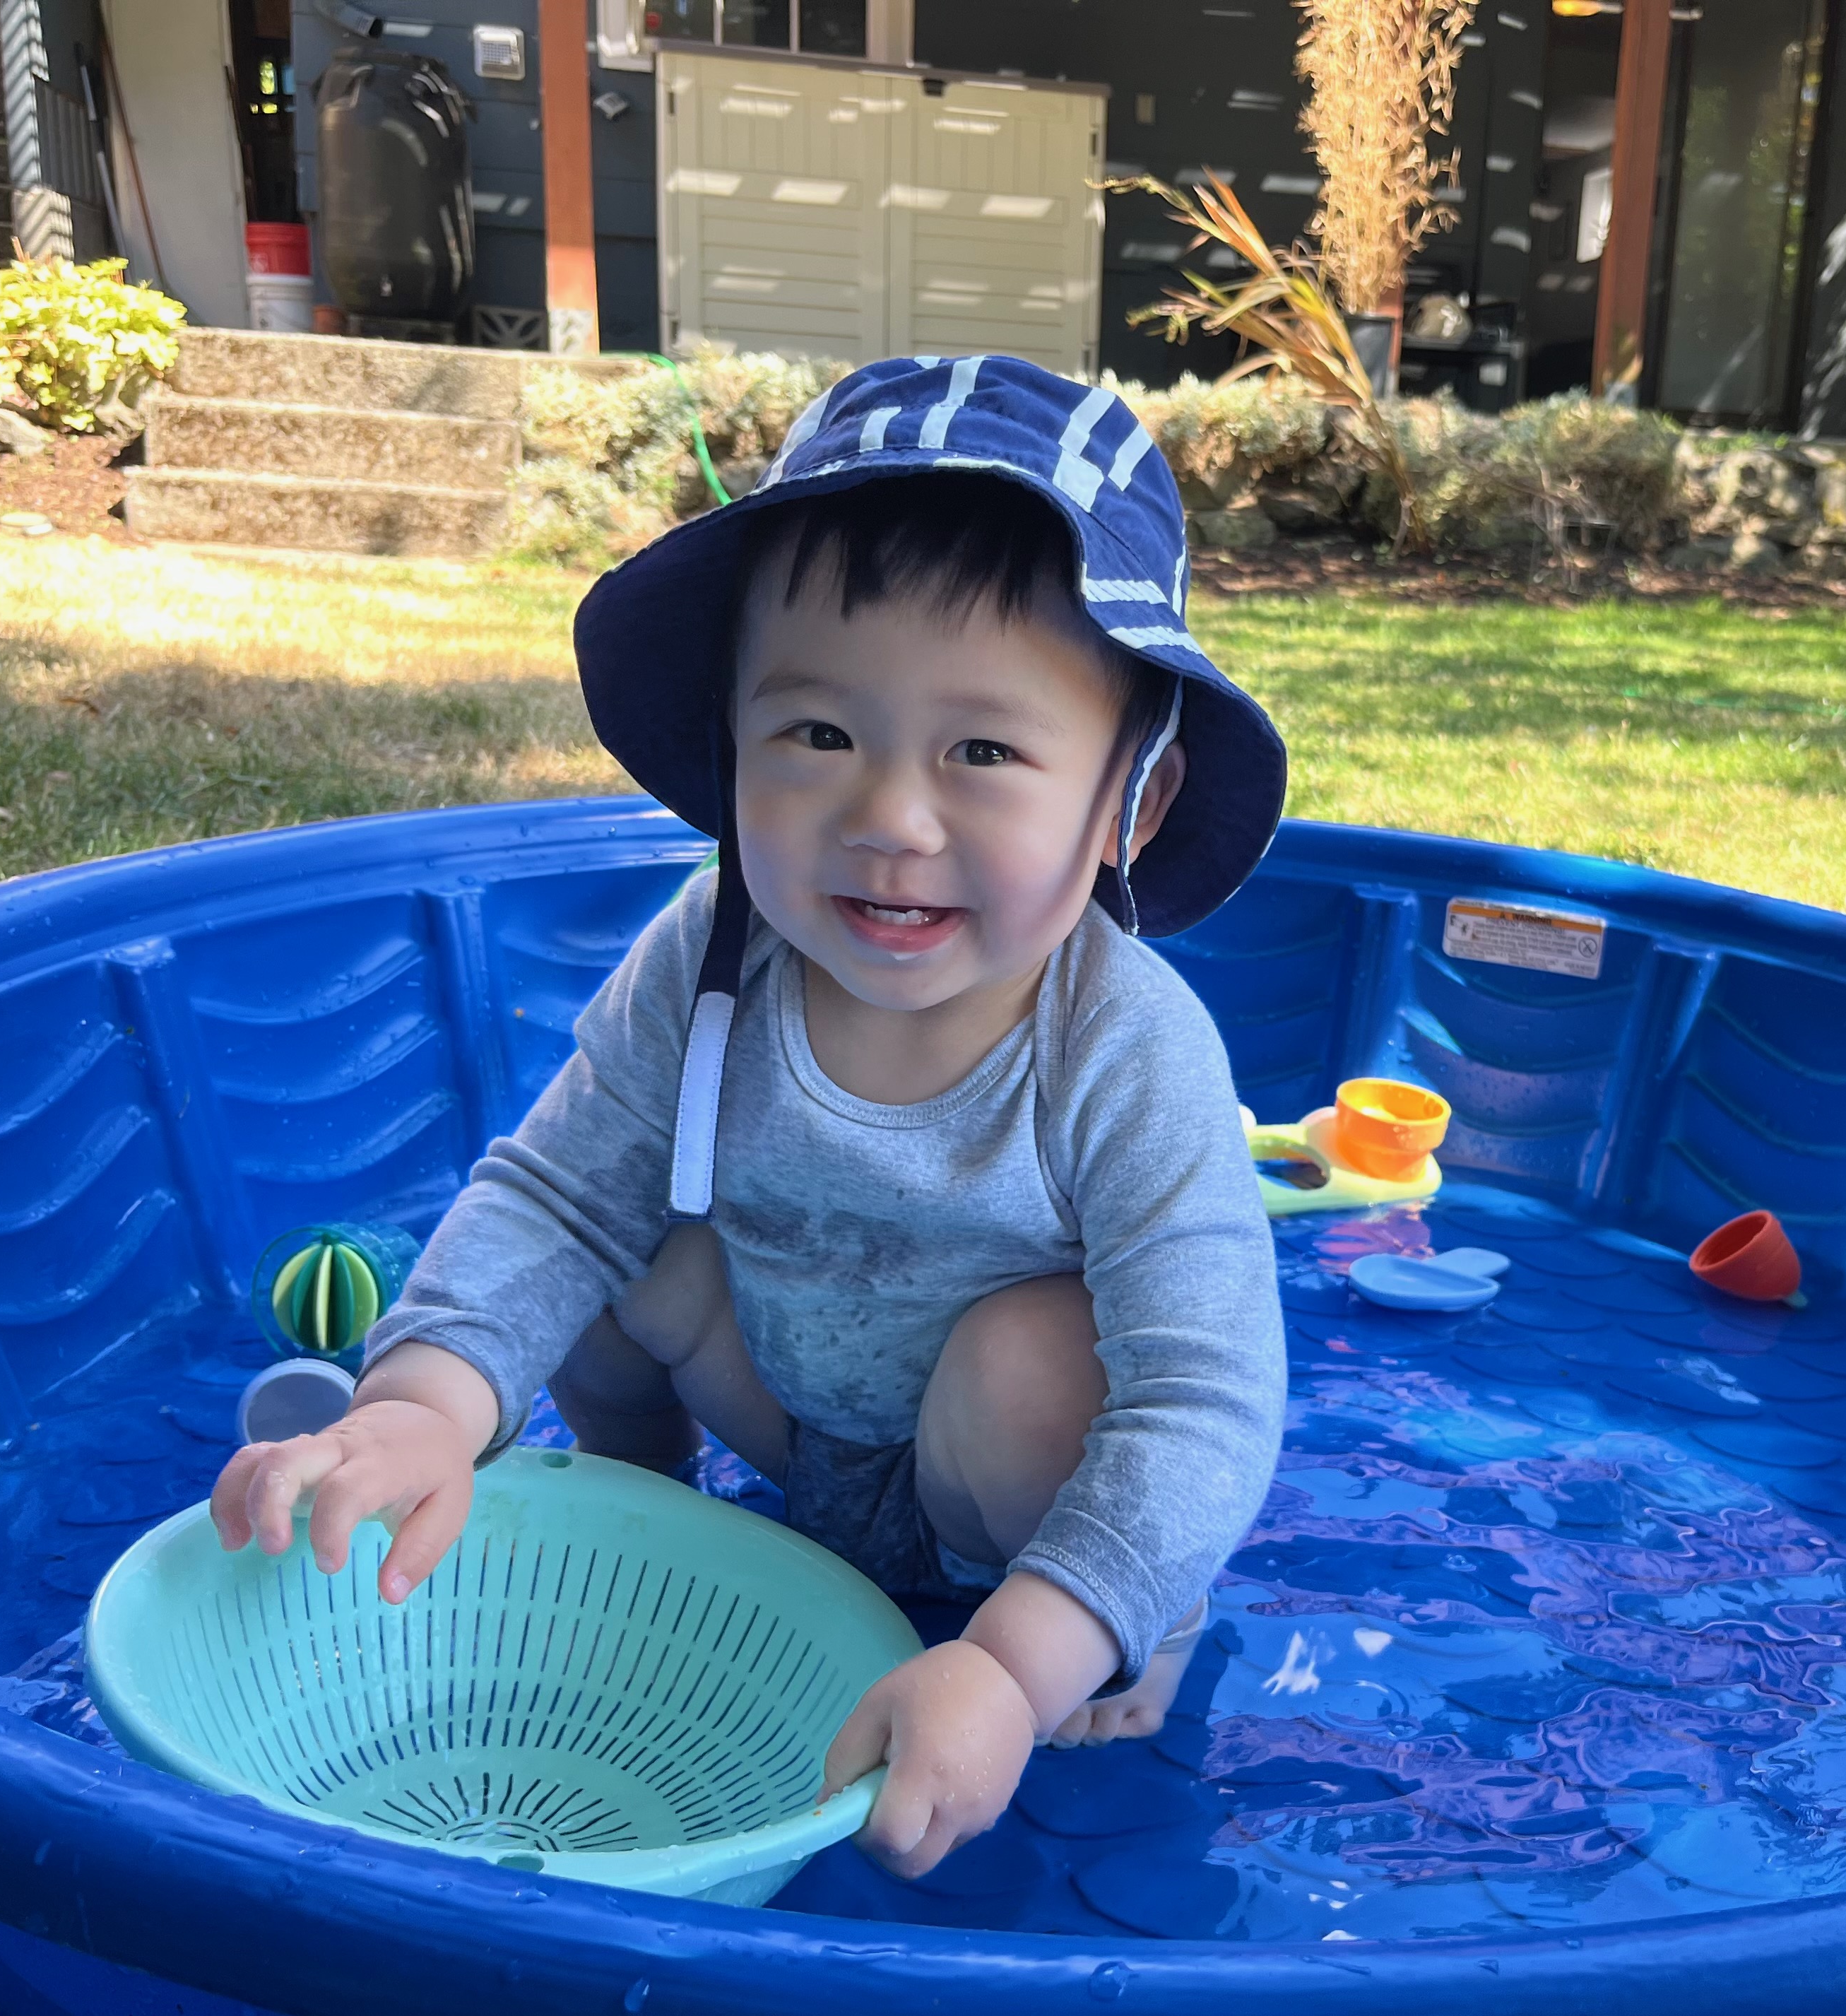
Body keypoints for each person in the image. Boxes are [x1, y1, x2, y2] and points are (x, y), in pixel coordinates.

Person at [202, 356, 1291, 1880]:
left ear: (1135, 804)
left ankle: (1123, 1624)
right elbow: (549, 1198)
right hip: (790, 1415)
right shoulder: (714, 955)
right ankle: (642, 1512)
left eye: (984, 752)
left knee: (1036, 1365)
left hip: (1001, 1480)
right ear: (731, 743)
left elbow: (1208, 1398)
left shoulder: (1122, 1044)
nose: (889, 818)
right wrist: (421, 1407)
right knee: (611, 1234)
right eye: (819, 736)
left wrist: (1017, 1661)